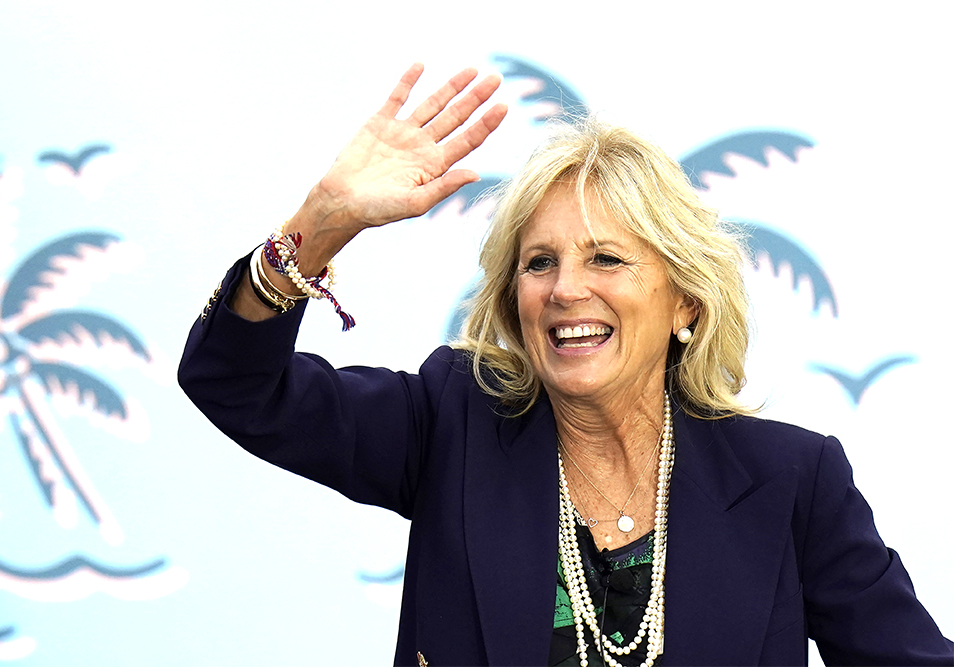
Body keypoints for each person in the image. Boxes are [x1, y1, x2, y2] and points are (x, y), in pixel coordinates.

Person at [178, 64, 952, 666]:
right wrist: (319, 225)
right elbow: (237, 383)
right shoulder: (452, 422)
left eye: (607, 257)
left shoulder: (793, 480)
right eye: (539, 261)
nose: (565, 288)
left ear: (686, 301)